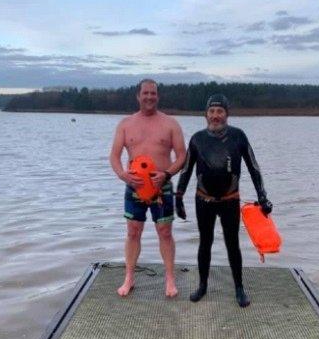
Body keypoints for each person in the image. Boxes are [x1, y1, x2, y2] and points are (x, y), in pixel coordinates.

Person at [175, 94, 273, 307]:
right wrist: (178, 197)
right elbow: (186, 169)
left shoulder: (239, 136)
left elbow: (254, 167)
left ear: (227, 114)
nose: (215, 116)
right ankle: (202, 286)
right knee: (205, 243)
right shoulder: (197, 139)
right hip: (204, 201)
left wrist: (262, 196)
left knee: (232, 244)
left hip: (230, 200)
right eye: (212, 111)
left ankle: (239, 288)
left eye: (220, 111)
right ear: (206, 114)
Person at [109, 79, 186, 298]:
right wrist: (122, 174)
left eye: (153, 93)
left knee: (165, 231)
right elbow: (114, 156)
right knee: (133, 231)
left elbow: (182, 155)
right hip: (134, 184)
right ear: (138, 96)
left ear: (158, 96)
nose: (149, 97)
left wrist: (167, 174)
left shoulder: (170, 123)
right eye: (146, 93)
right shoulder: (126, 124)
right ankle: (129, 277)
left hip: (161, 185)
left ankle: (170, 278)